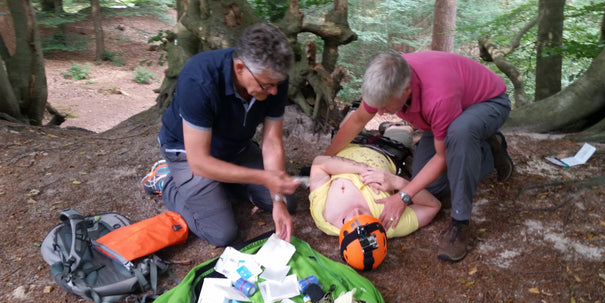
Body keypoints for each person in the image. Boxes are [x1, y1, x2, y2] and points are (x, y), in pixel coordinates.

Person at [324, 51, 513, 262]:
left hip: (487, 104)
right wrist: (328, 158)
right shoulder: (385, 81)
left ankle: (460, 222)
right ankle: (486, 147)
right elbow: (358, 121)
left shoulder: (438, 96)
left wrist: (403, 196)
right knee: (430, 189)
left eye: (385, 107)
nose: (379, 112)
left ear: (406, 90)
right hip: (443, 121)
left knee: (460, 134)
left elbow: (441, 158)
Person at [142, 23, 300, 246]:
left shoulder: (273, 79)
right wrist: (265, 177)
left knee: (288, 201)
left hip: (235, 148)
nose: (274, 91)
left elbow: (272, 143)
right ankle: (166, 181)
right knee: (221, 233)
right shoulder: (199, 79)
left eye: (277, 84)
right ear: (239, 68)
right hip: (188, 154)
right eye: (266, 85)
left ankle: (220, 182)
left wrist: (277, 200)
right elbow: (199, 162)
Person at [309, 125, 441, 238]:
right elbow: (432, 206)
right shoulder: (387, 223)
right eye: (364, 217)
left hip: (347, 145)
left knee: (353, 118)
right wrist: (397, 183)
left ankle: (355, 108)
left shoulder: (324, 216)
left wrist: (360, 168)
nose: (356, 212)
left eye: (346, 221)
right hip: (387, 151)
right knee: (404, 132)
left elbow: (318, 164)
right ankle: (394, 126)